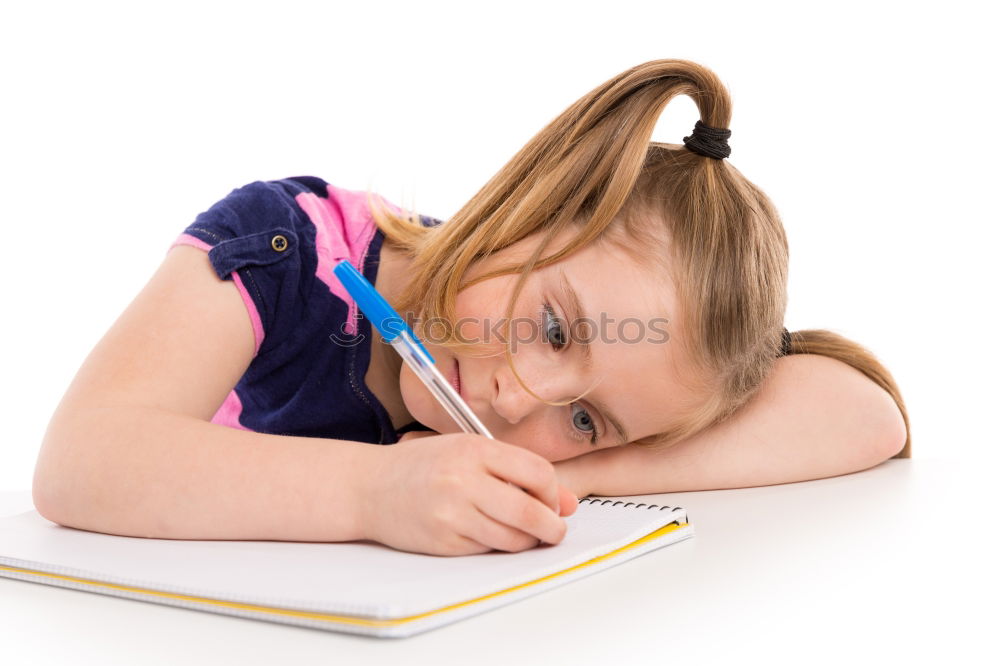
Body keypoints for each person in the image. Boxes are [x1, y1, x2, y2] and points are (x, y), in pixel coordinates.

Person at [31, 59, 910, 557]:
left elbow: (864, 416)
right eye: (556, 327)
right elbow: (82, 462)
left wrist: (577, 475)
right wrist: (379, 494)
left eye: (586, 418)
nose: (521, 400)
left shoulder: (612, 392)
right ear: (532, 204)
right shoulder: (283, 249)